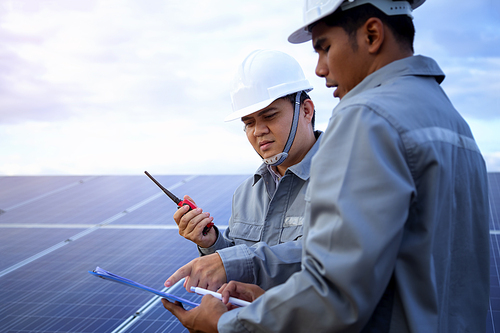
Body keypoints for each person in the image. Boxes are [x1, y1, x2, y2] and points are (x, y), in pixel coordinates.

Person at [162, 0, 490, 332]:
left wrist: (227, 325)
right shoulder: (454, 124)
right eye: (248, 122)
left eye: (325, 47)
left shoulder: (368, 117)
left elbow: (335, 292)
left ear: (372, 34)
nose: (320, 69)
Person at [166, 49, 323, 292]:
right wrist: (212, 243)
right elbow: (239, 274)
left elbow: (330, 255)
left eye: (269, 116)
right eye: (248, 123)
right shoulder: (245, 194)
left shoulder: (345, 176)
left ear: (306, 110)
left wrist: (228, 263)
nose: (258, 131)